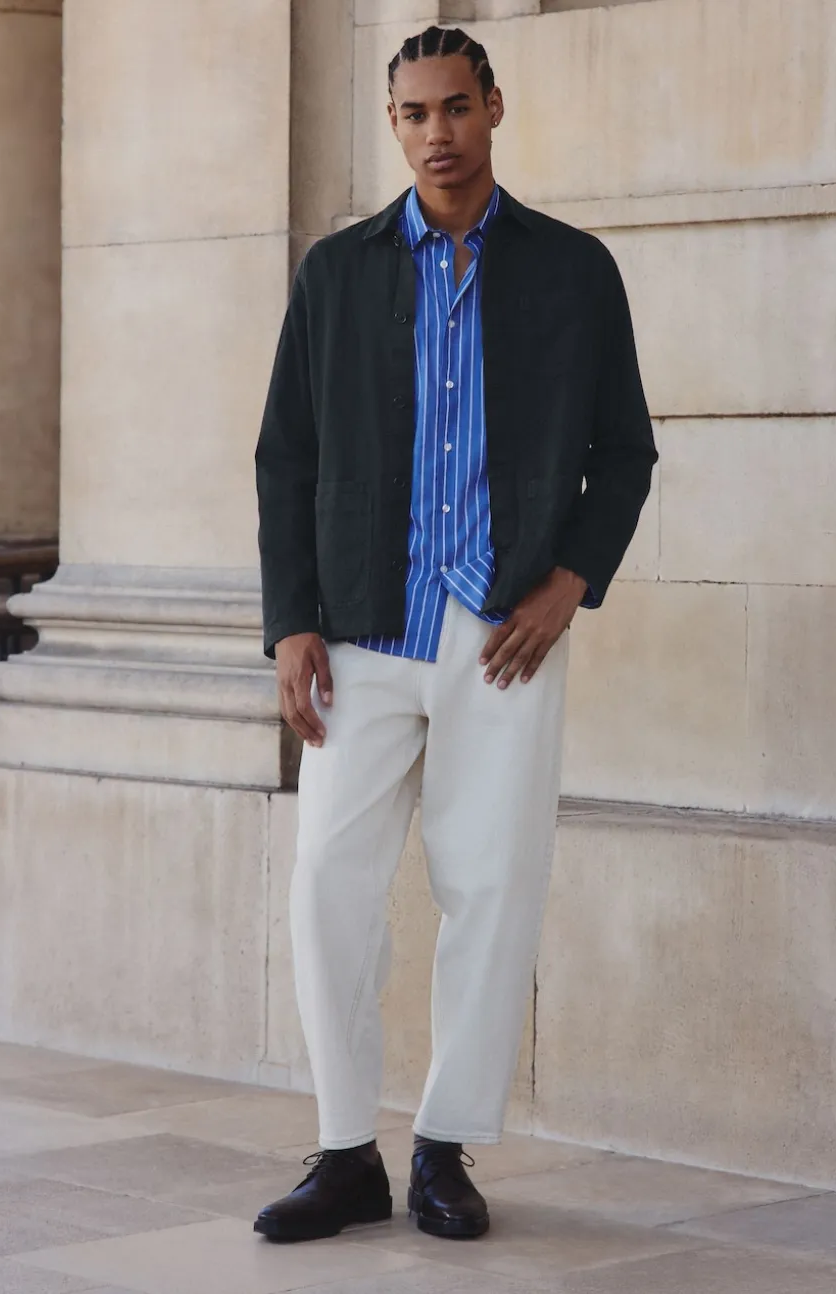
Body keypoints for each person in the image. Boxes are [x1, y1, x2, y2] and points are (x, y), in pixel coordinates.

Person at [253, 24, 657, 1245]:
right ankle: (343, 1152)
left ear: (494, 107)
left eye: (457, 106)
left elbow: (623, 452)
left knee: (491, 887)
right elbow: (286, 458)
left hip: (502, 630)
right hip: (362, 627)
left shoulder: (573, 270)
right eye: (415, 112)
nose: (438, 131)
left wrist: (566, 584)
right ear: (393, 123)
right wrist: (292, 623)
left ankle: (442, 1145)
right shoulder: (336, 273)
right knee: (328, 883)